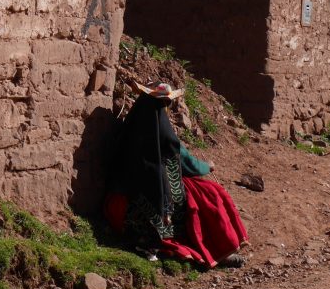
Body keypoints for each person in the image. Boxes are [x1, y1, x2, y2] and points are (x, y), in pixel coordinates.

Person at [105, 82, 248, 268]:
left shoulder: (128, 128)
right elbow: (181, 164)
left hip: (116, 208)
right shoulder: (164, 134)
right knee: (207, 194)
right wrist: (206, 167)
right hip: (149, 213)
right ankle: (217, 249)